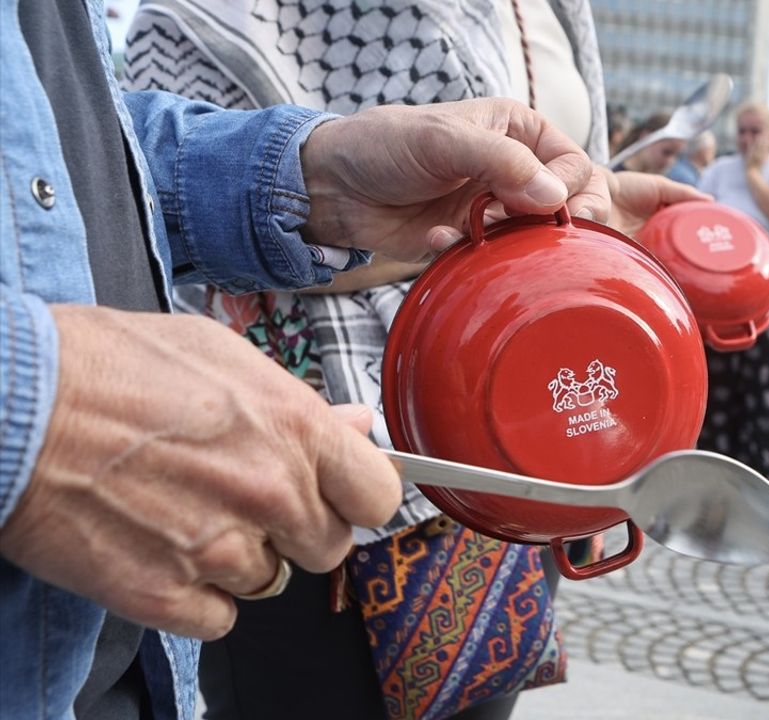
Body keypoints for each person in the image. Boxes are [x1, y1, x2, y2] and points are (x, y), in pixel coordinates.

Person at [0, 2, 614, 718]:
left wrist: (308, 177)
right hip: (303, 471)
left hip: (107, 660)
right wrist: (42, 409)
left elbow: (74, 141)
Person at [122, 2, 706, 719]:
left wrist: (594, 215)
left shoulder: (558, 8)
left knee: (478, 697)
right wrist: (418, 240)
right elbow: (129, 209)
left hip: (525, 447)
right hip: (323, 435)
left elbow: (546, 193)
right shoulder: (218, 12)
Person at [697, 101, 769, 497]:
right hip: (721, 293)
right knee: (718, 380)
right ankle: (714, 463)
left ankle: (762, 467)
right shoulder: (716, 171)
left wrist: (753, 173)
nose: (748, 139)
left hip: (768, 290)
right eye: (742, 131)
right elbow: (695, 218)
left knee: (763, 381)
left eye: (756, 131)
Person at [611, 111, 686, 175]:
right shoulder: (614, 174)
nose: (670, 161)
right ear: (646, 137)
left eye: (677, 155)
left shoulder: (658, 180)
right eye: (666, 152)